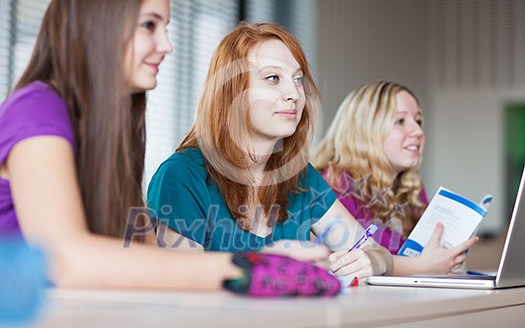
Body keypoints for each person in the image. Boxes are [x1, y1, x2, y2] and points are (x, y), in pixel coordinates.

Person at [0, 0, 339, 296]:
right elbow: (63, 257)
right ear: (98, 23)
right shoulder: (37, 108)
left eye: (166, 27)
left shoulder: (114, 131)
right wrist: (249, 267)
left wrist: (268, 259)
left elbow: (145, 251)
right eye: (149, 25)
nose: (167, 45)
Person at [148, 23, 439, 284]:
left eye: (298, 79)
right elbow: (180, 283)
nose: (294, 94)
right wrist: (264, 264)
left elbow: (367, 248)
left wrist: (373, 261)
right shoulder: (181, 175)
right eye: (273, 78)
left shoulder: (300, 175)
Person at [312, 81, 478, 273]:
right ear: (365, 129)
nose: (418, 131)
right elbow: (347, 264)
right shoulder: (336, 185)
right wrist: (425, 266)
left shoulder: (411, 187)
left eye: (418, 121)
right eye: (400, 121)